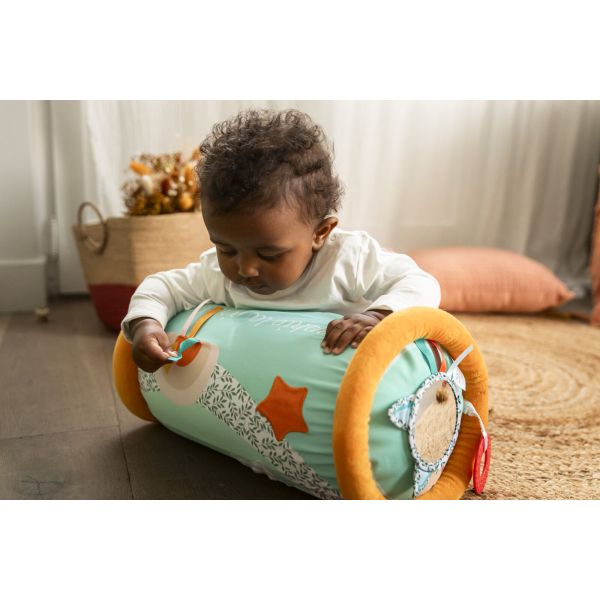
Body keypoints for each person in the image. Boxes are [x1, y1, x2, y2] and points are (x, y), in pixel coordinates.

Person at [122, 108, 441, 373]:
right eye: (226, 248)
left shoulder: (348, 259)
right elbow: (161, 286)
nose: (245, 269)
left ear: (320, 233)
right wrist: (146, 325)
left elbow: (420, 282)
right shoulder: (218, 275)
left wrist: (377, 315)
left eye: (269, 254)